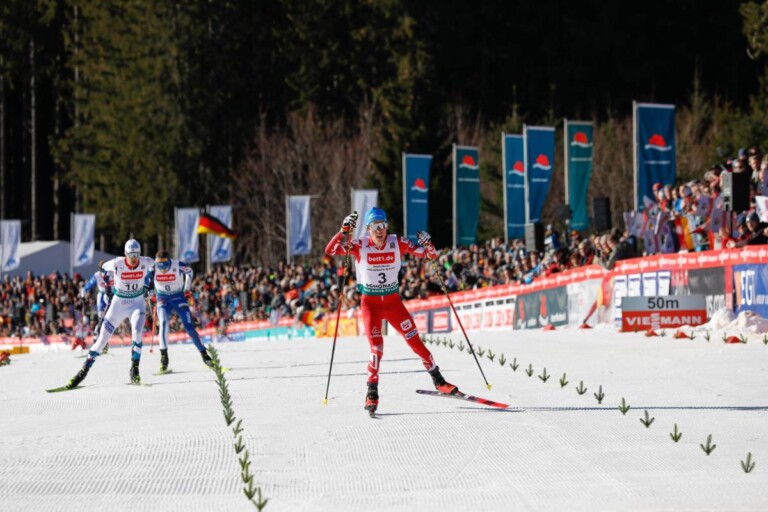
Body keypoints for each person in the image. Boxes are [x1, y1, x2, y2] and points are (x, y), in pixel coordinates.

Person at [325, 207, 458, 415]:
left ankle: (439, 380)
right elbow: (330, 251)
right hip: (371, 305)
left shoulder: (398, 243)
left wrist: (428, 243)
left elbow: (430, 255)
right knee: (377, 349)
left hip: (394, 304)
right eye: (375, 227)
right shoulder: (360, 245)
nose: (380, 231)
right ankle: (372, 391)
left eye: (383, 226)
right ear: (368, 229)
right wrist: (343, 231)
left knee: (416, 343)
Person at [66, 239, 154, 387]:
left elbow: (156, 266)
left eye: (136, 255)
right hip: (118, 305)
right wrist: (108, 287)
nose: (134, 259)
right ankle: (82, 372)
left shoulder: (145, 262)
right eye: (131, 255)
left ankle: (135, 369)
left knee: (137, 333)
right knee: (101, 341)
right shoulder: (117, 263)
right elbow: (102, 269)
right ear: (125, 254)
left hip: (137, 304)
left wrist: (149, 286)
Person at [148, 250, 213, 372]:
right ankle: (164, 358)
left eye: (164, 265)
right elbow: (147, 280)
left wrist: (187, 286)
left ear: (169, 262)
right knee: (163, 323)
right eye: (159, 265)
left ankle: (204, 355)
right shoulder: (153, 268)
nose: (162, 269)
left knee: (189, 327)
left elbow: (189, 271)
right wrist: (149, 291)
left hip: (178, 297)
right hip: (163, 298)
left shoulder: (176, 264)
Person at [78, 260, 113, 352]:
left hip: (112, 296)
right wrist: (82, 296)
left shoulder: (113, 272)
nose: (104, 271)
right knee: (101, 319)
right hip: (102, 297)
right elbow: (86, 287)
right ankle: (97, 340)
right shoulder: (97, 275)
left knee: (109, 320)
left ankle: (104, 342)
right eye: (102, 269)